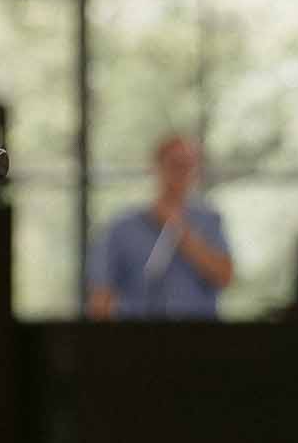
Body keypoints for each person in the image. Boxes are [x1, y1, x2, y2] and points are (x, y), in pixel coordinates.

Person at [86, 132, 234, 320]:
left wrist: (181, 233)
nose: (182, 173)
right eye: (175, 165)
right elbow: (100, 294)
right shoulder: (121, 227)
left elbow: (225, 277)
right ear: (156, 167)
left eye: (188, 166)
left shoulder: (210, 222)